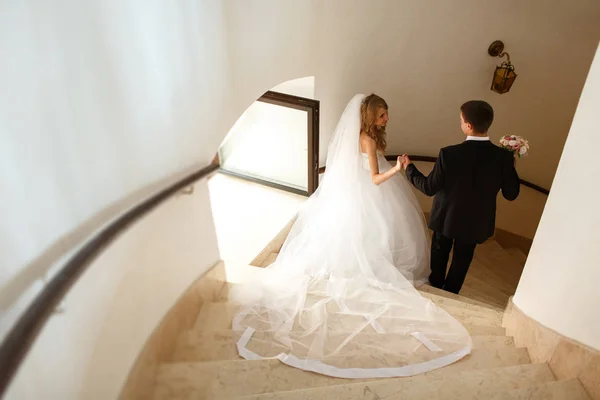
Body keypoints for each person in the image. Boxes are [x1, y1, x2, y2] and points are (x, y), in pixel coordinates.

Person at [230, 94, 472, 379]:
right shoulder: (367, 141)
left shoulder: (367, 137)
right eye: (382, 115)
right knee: (373, 234)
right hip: (367, 194)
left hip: (358, 194)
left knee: (377, 232)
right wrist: (397, 168)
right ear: (370, 116)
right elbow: (374, 178)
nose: (387, 119)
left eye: (387, 113)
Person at [401, 100, 520, 295]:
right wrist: (512, 168)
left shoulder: (449, 154)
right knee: (463, 259)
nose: (460, 123)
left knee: (439, 255)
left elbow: (429, 188)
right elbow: (511, 194)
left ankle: (436, 291)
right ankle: (451, 294)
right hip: (476, 223)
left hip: (446, 218)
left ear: (469, 126)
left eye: (461, 120)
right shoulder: (504, 158)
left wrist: (409, 168)